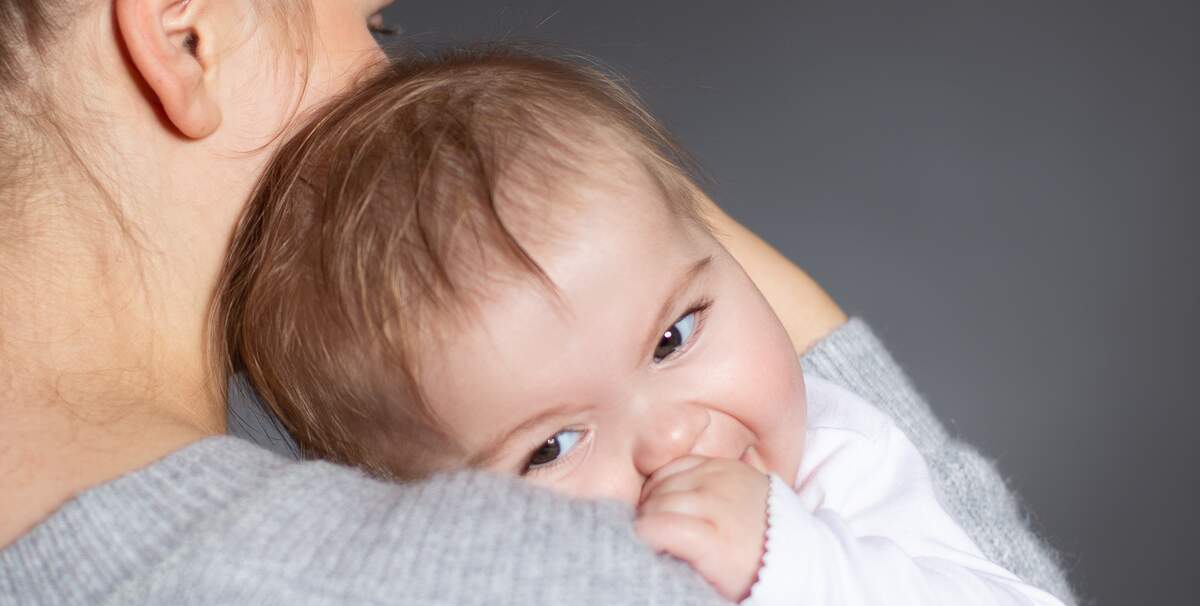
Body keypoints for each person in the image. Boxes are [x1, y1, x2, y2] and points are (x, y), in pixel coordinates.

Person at [0, 1, 1074, 604]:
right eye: (373, 26)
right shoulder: (580, 575)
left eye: (673, 335)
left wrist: (557, 187)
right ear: (187, 30)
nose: (384, 81)